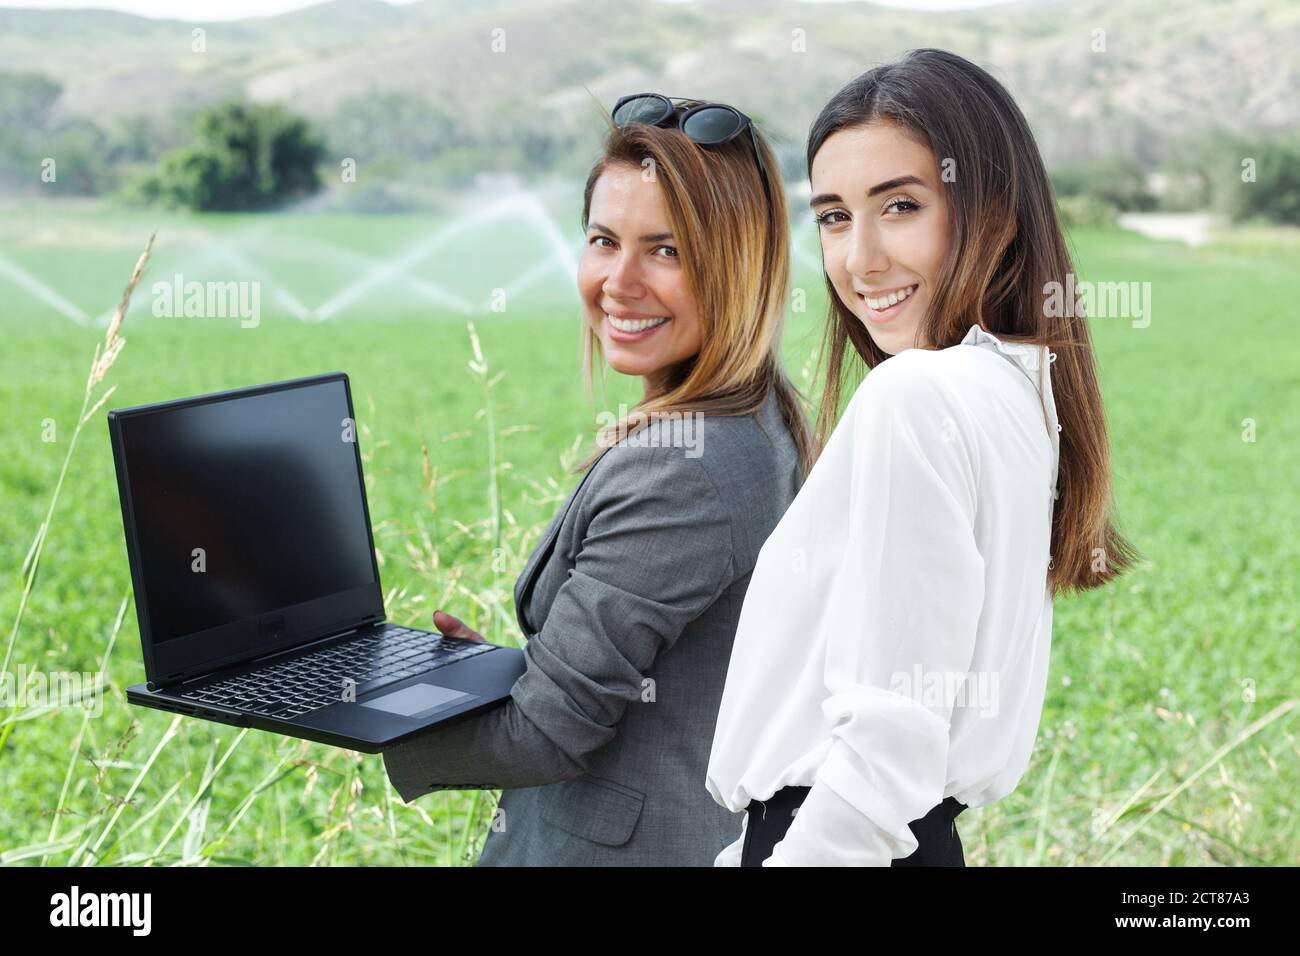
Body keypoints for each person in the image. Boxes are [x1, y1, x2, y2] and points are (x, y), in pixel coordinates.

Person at [706, 49, 1138, 866]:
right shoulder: (1018, 394)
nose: (860, 259)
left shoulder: (919, 396)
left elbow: (886, 743)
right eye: (833, 216)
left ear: (996, 212)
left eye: (899, 206)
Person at [381, 94, 814, 865]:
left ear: (739, 266)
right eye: (603, 240)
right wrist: (496, 676)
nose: (620, 280)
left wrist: (362, 708)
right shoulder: (759, 423)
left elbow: (546, 734)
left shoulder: (685, 469)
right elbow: (633, 678)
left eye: (667, 250)